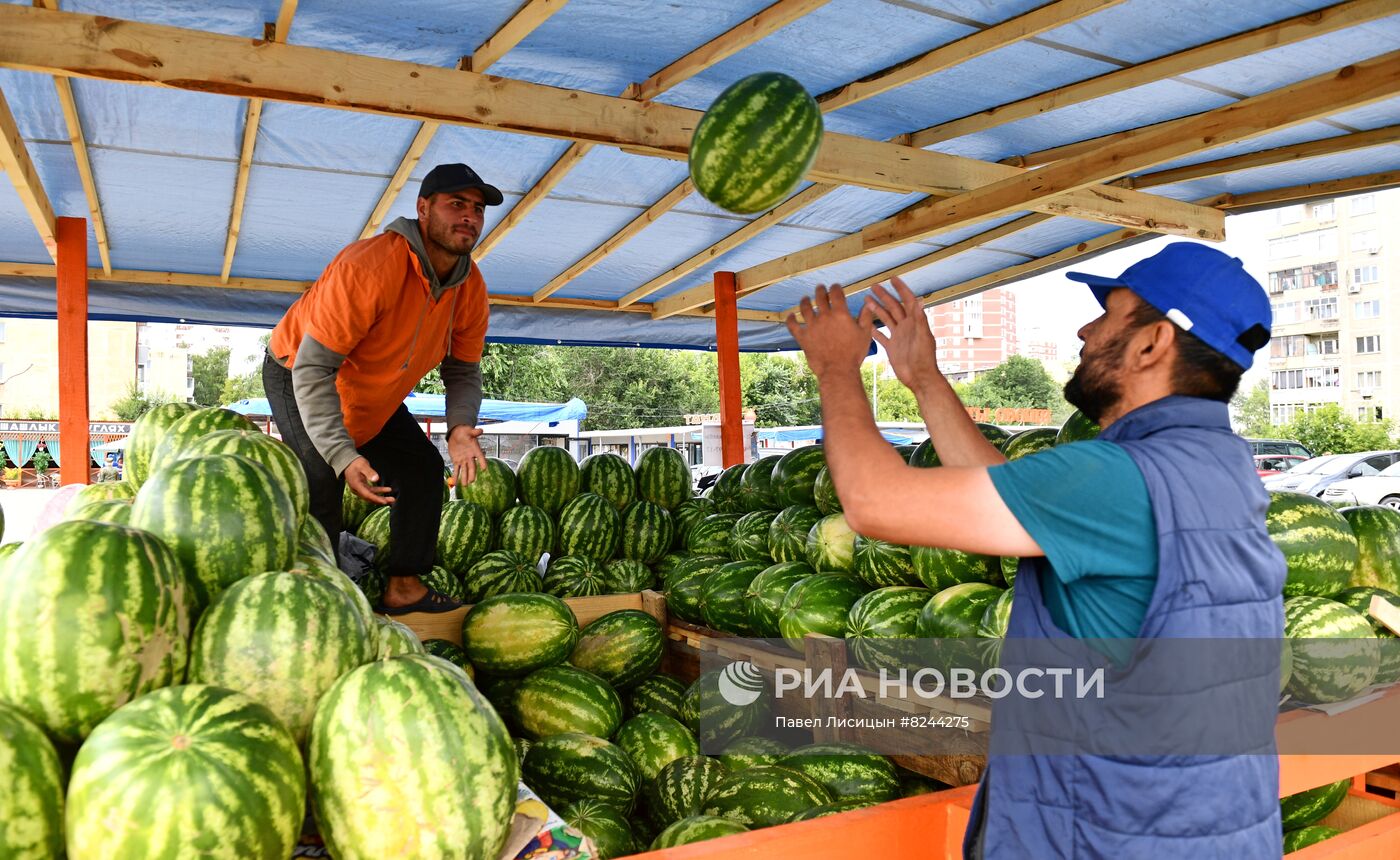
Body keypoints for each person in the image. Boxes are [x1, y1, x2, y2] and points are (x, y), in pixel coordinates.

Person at [786, 242, 1286, 858]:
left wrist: (836, 369)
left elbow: (873, 503)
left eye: (1108, 314)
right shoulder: (1216, 468)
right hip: (1193, 827)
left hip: (1108, 836)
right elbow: (1007, 494)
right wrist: (922, 378)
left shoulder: (1119, 477)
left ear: (1152, 343)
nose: (1085, 329)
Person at [263, 163, 502, 614]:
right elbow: (314, 369)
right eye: (456, 204)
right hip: (298, 370)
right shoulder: (369, 266)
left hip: (372, 389)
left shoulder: (470, 287)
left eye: (476, 208)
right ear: (423, 208)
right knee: (321, 481)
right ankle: (321, 607)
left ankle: (404, 586)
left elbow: (464, 370)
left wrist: (459, 428)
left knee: (421, 469)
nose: (469, 216)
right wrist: (342, 455)